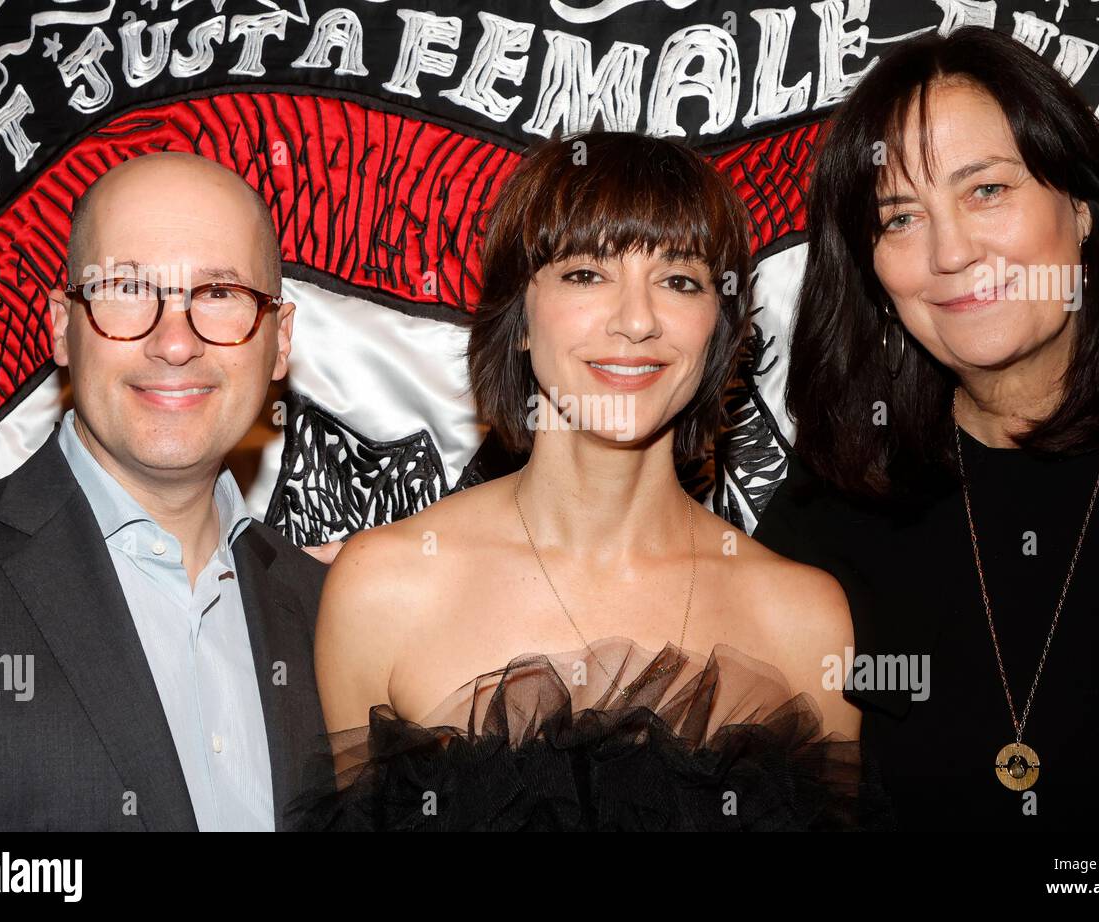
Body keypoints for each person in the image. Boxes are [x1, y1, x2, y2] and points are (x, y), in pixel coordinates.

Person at [302, 131, 889, 831]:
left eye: (679, 280)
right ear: (518, 318)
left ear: (720, 329)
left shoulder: (805, 619)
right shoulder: (384, 590)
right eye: (586, 274)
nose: (637, 321)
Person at [754, 27, 1099, 829]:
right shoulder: (829, 514)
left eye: (986, 191)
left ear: (1080, 208)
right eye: (900, 218)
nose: (951, 252)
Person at [0, 152, 334, 830]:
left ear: (279, 339)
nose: (173, 343)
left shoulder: (330, 612)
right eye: (125, 289)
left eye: (217, 294)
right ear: (61, 326)